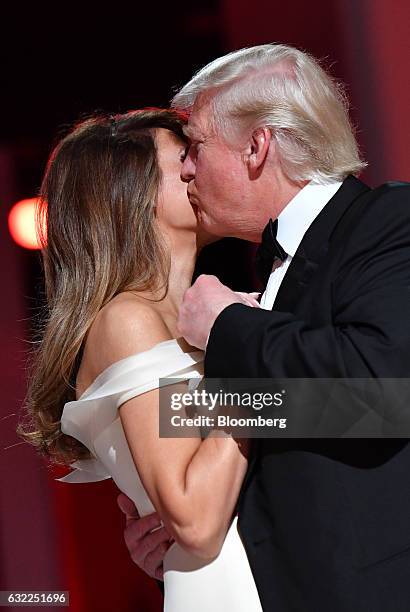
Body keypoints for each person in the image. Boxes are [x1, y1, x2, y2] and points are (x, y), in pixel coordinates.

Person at [120, 45, 410, 611]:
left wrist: (226, 325)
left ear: (257, 146)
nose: (186, 168)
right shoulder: (266, 270)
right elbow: (291, 417)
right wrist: (182, 538)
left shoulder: (388, 221)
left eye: (196, 146)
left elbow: (382, 394)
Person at [18, 108, 264, 611]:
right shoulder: (127, 319)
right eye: (185, 158)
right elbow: (194, 520)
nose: (201, 168)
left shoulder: (195, 318)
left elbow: (346, 414)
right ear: (134, 195)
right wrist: (249, 361)